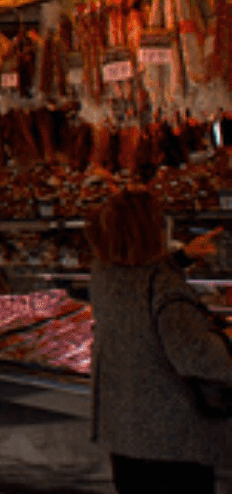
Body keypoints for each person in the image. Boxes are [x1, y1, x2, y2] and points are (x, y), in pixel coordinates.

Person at [86, 188, 232, 494]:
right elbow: (197, 357)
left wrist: (181, 258)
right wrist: (225, 340)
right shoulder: (165, 288)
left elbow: (139, 275)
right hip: (171, 439)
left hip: (124, 431)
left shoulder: (103, 273)